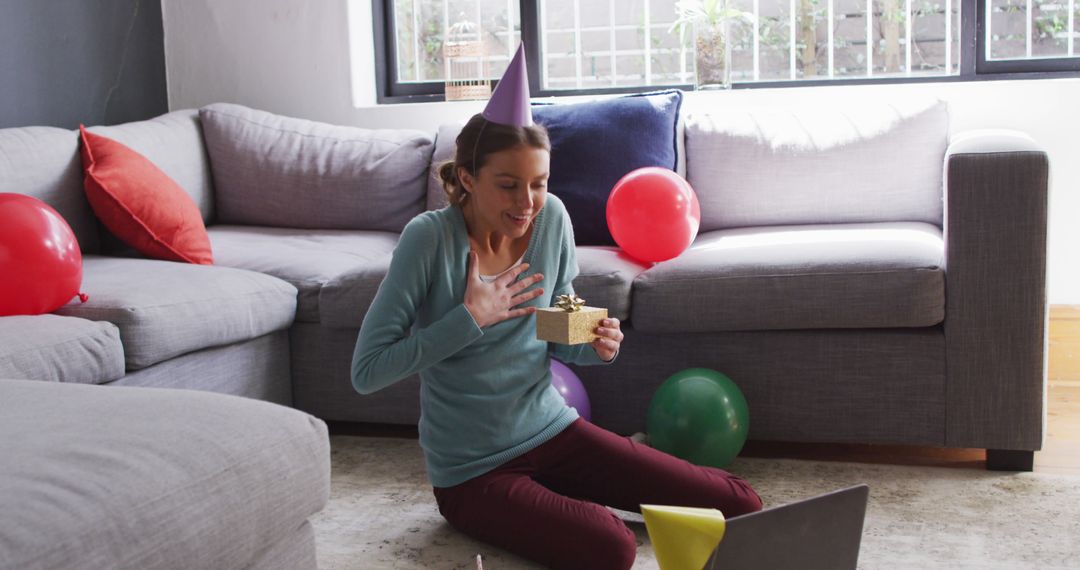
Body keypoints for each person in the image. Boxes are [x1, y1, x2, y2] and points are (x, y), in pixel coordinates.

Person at [351, 44, 761, 570]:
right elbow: (367, 370)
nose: (526, 203)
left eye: (538, 184)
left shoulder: (553, 220)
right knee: (612, 546)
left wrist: (595, 343)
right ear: (469, 180)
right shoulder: (428, 240)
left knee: (739, 503)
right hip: (473, 471)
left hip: (552, 431)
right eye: (508, 185)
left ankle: (552, 499)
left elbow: (555, 322)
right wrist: (469, 320)